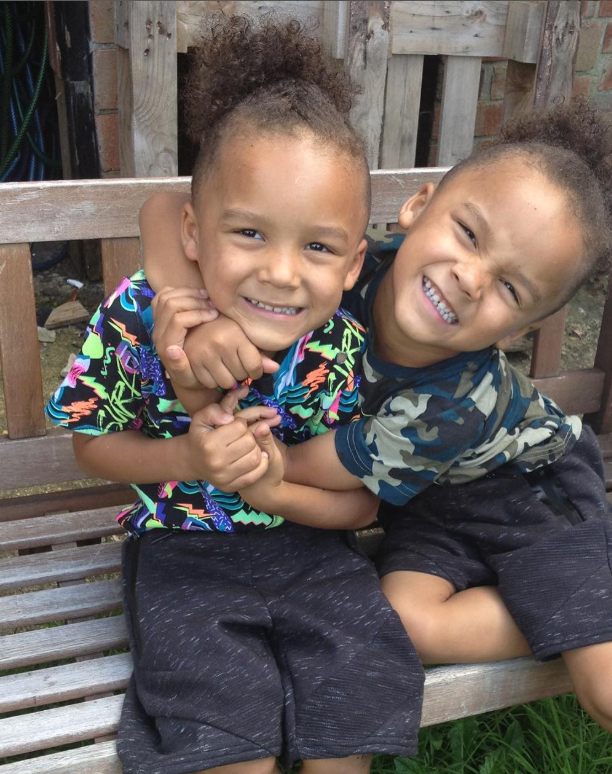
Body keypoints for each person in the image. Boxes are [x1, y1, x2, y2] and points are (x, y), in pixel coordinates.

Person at [143, 96, 612, 774]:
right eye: (468, 233)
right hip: (426, 501)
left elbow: (310, 465)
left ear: (518, 331)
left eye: (510, 290)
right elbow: (164, 209)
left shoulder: (452, 402)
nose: (468, 278)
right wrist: (200, 322)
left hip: (534, 495)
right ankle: (601, 609)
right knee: (403, 621)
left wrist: (248, 456)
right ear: (418, 207)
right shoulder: (350, 265)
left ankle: (608, 618)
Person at [45, 16, 425, 774]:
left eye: (316, 246)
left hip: (316, 551)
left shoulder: (345, 346)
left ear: (353, 265)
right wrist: (187, 458)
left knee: (353, 712)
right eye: (249, 233)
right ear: (194, 232)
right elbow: (90, 448)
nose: (281, 273)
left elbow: (361, 507)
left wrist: (276, 488)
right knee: (219, 735)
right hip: (181, 551)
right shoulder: (140, 314)